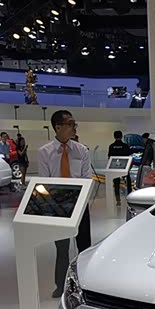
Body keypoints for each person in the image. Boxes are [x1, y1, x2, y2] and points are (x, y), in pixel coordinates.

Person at [38, 110, 93, 298]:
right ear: (58, 127)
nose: (74, 127)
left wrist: (78, 199)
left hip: (80, 204)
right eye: (70, 124)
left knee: (84, 246)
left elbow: (87, 179)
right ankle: (61, 285)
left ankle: (85, 284)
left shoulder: (81, 150)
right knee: (62, 248)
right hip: (58, 207)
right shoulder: (45, 152)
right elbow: (45, 183)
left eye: (74, 123)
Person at [107, 130, 133, 206]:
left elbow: (109, 157)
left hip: (115, 167)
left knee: (116, 184)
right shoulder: (125, 146)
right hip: (125, 167)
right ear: (121, 136)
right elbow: (129, 156)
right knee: (128, 183)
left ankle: (118, 201)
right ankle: (130, 199)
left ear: (114, 137)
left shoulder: (111, 146)